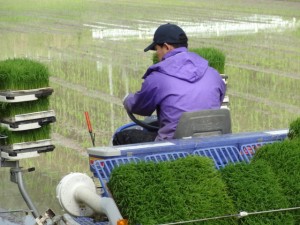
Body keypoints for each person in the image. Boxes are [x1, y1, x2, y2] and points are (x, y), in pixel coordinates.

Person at [113, 23, 226, 145]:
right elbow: (218, 100)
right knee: (155, 123)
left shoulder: (158, 77)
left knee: (121, 137)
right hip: (212, 140)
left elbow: (140, 107)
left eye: (157, 49)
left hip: (173, 144)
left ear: (166, 47)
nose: (157, 54)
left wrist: (127, 100)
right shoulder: (213, 73)